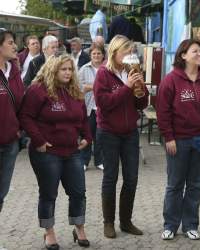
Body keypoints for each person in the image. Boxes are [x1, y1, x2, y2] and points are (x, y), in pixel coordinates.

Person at [19, 55, 92, 250]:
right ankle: (49, 233)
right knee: (49, 194)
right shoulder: (38, 90)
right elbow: (26, 116)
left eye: (70, 69)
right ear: (53, 70)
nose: (68, 73)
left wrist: (87, 136)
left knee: (78, 192)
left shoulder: (75, 90)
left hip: (73, 151)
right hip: (47, 152)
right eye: (63, 69)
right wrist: (39, 141)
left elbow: (83, 118)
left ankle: (79, 229)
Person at [157, 39, 200, 240]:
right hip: (178, 141)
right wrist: (168, 137)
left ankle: (190, 225)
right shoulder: (170, 80)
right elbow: (163, 111)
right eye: (195, 51)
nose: (199, 54)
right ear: (183, 55)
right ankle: (170, 225)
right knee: (175, 184)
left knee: (195, 185)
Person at [94, 35, 149, 238]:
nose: (130, 55)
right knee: (110, 177)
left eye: (132, 51)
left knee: (132, 178)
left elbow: (141, 105)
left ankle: (126, 222)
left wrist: (141, 90)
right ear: (115, 52)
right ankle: (109, 222)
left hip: (130, 132)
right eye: (126, 51)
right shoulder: (103, 74)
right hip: (108, 132)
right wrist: (126, 88)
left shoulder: (131, 71)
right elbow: (104, 103)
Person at [0, 29, 24, 213]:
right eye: (10, 42)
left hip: (10, 143)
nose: (15, 46)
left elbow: (22, 104)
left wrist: (19, 130)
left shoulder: (15, 72)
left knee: (1, 193)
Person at [78, 43, 105, 171]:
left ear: (103, 55)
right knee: (87, 134)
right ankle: (84, 161)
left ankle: (99, 161)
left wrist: (93, 86)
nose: (96, 55)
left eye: (99, 53)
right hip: (88, 108)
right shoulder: (84, 69)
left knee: (100, 136)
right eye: (94, 53)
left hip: (103, 108)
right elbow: (78, 88)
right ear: (90, 55)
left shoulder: (107, 68)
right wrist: (95, 86)